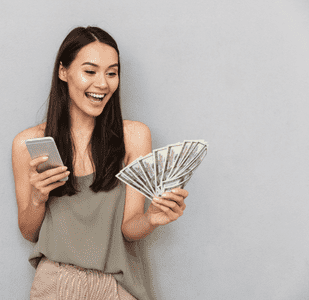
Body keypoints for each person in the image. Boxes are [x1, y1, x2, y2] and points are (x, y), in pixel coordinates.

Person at [12, 26, 188, 300]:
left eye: (112, 72)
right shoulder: (28, 143)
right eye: (90, 71)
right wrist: (37, 198)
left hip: (117, 286)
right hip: (56, 283)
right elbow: (28, 232)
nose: (103, 84)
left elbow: (129, 229)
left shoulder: (134, 136)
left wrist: (152, 218)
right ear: (63, 72)